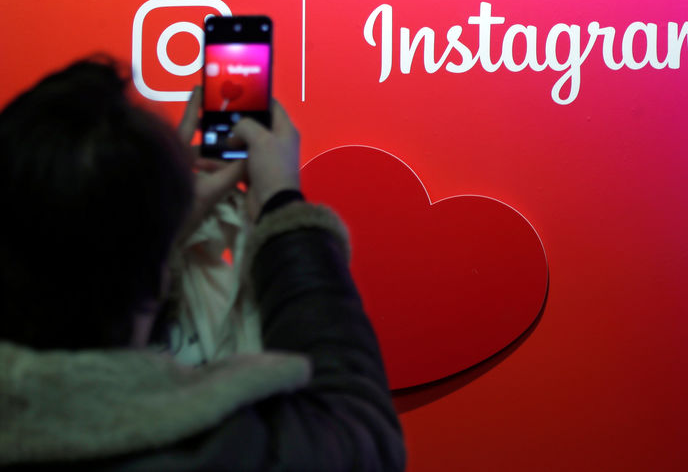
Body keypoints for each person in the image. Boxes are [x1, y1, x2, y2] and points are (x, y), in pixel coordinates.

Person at [0, 56, 405, 471]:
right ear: (158, 281)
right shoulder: (231, 451)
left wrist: (162, 226)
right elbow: (358, 429)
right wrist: (282, 205)